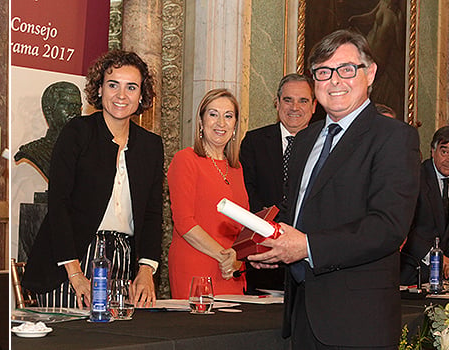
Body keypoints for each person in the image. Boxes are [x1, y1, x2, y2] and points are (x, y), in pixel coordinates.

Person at [248, 29, 419, 348]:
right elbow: (297, 214)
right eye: (323, 72)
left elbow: (388, 227)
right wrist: (269, 244)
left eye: (346, 69)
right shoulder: (304, 141)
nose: (334, 80)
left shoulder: (394, 138)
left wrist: (308, 247)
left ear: (370, 73)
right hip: (303, 318)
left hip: (358, 324)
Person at [20, 50, 162, 309]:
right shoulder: (77, 132)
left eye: (131, 87)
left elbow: (153, 213)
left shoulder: (151, 145)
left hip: (125, 261)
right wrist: (75, 273)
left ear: (142, 95)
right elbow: (59, 204)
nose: (121, 95)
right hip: (70, 260)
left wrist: (146, 269)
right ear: (99, 90)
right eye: (113, 85)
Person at [167, 88, 247, 299]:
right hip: (197, 267)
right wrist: (224, 257)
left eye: (228, 116)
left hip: (232, 270)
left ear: (235, 125)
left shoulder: (237, 168)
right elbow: (184, 223)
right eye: (213, 114)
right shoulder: (186, 160)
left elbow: (242, 227)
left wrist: (235, 259)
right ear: (201, 122)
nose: (221, 123)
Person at [239, 74, 315, 291]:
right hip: (264, 257)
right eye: (288, 100)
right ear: (277, 103)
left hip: (310, 260)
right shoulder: (254, 142)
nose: (295, 107)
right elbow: (248, 192)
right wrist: (271, 231)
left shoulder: (325, 145)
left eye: (303, 101)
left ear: (314, 105)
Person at [400, 126, 449, 286]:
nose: (448, 158)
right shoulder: (415, 178)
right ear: (432, 151)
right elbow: (404, 228)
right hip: (415, 273)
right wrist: (437, 258)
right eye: (444, 151)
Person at [14, 81, 82, 180]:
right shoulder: (34, 151)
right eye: (66, 104)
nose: (74, 112)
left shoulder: (88, 150)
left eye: (77, 106)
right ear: (49, 111)